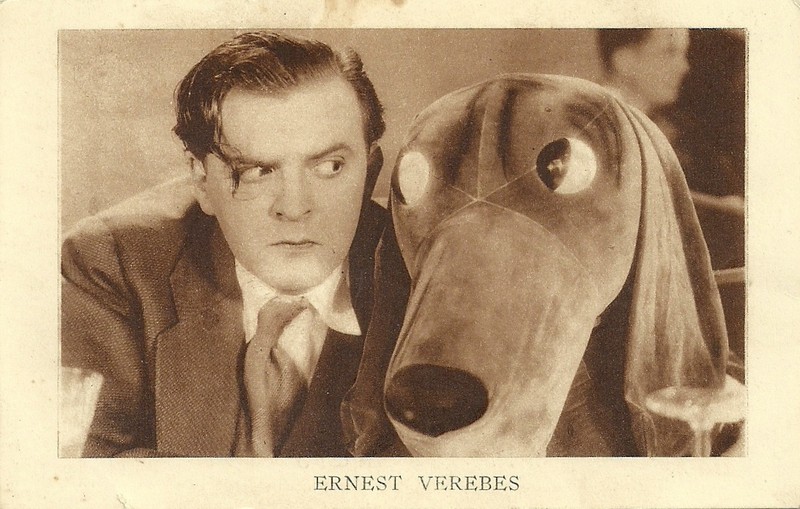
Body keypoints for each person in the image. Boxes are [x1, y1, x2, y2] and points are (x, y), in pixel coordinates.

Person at [60, 31, 407, 457]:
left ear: (370, 171)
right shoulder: (111, 264)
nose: (294, 208)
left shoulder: (427, 275)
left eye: (331, 166)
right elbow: (83, 474)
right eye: (257, 171)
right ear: (202, 180)